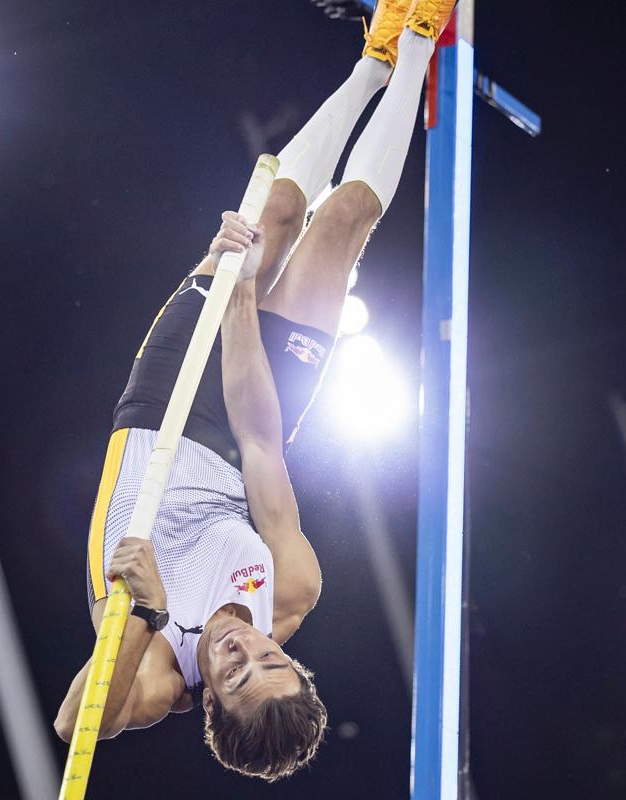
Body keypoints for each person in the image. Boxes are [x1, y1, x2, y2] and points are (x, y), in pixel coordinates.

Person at [53, 0, 458, 782]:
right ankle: (405, 46)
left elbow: (78, 725)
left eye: (236, 672)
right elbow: (264, 445)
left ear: (211, 702)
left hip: (162, 406)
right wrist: (240, 302)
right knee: (338, 222)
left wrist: (148, 611)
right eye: (271, 658)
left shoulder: (164, 678)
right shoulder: (292, 590)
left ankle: (375, 61)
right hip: (245, 424)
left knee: (271, 218)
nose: (245, 648)